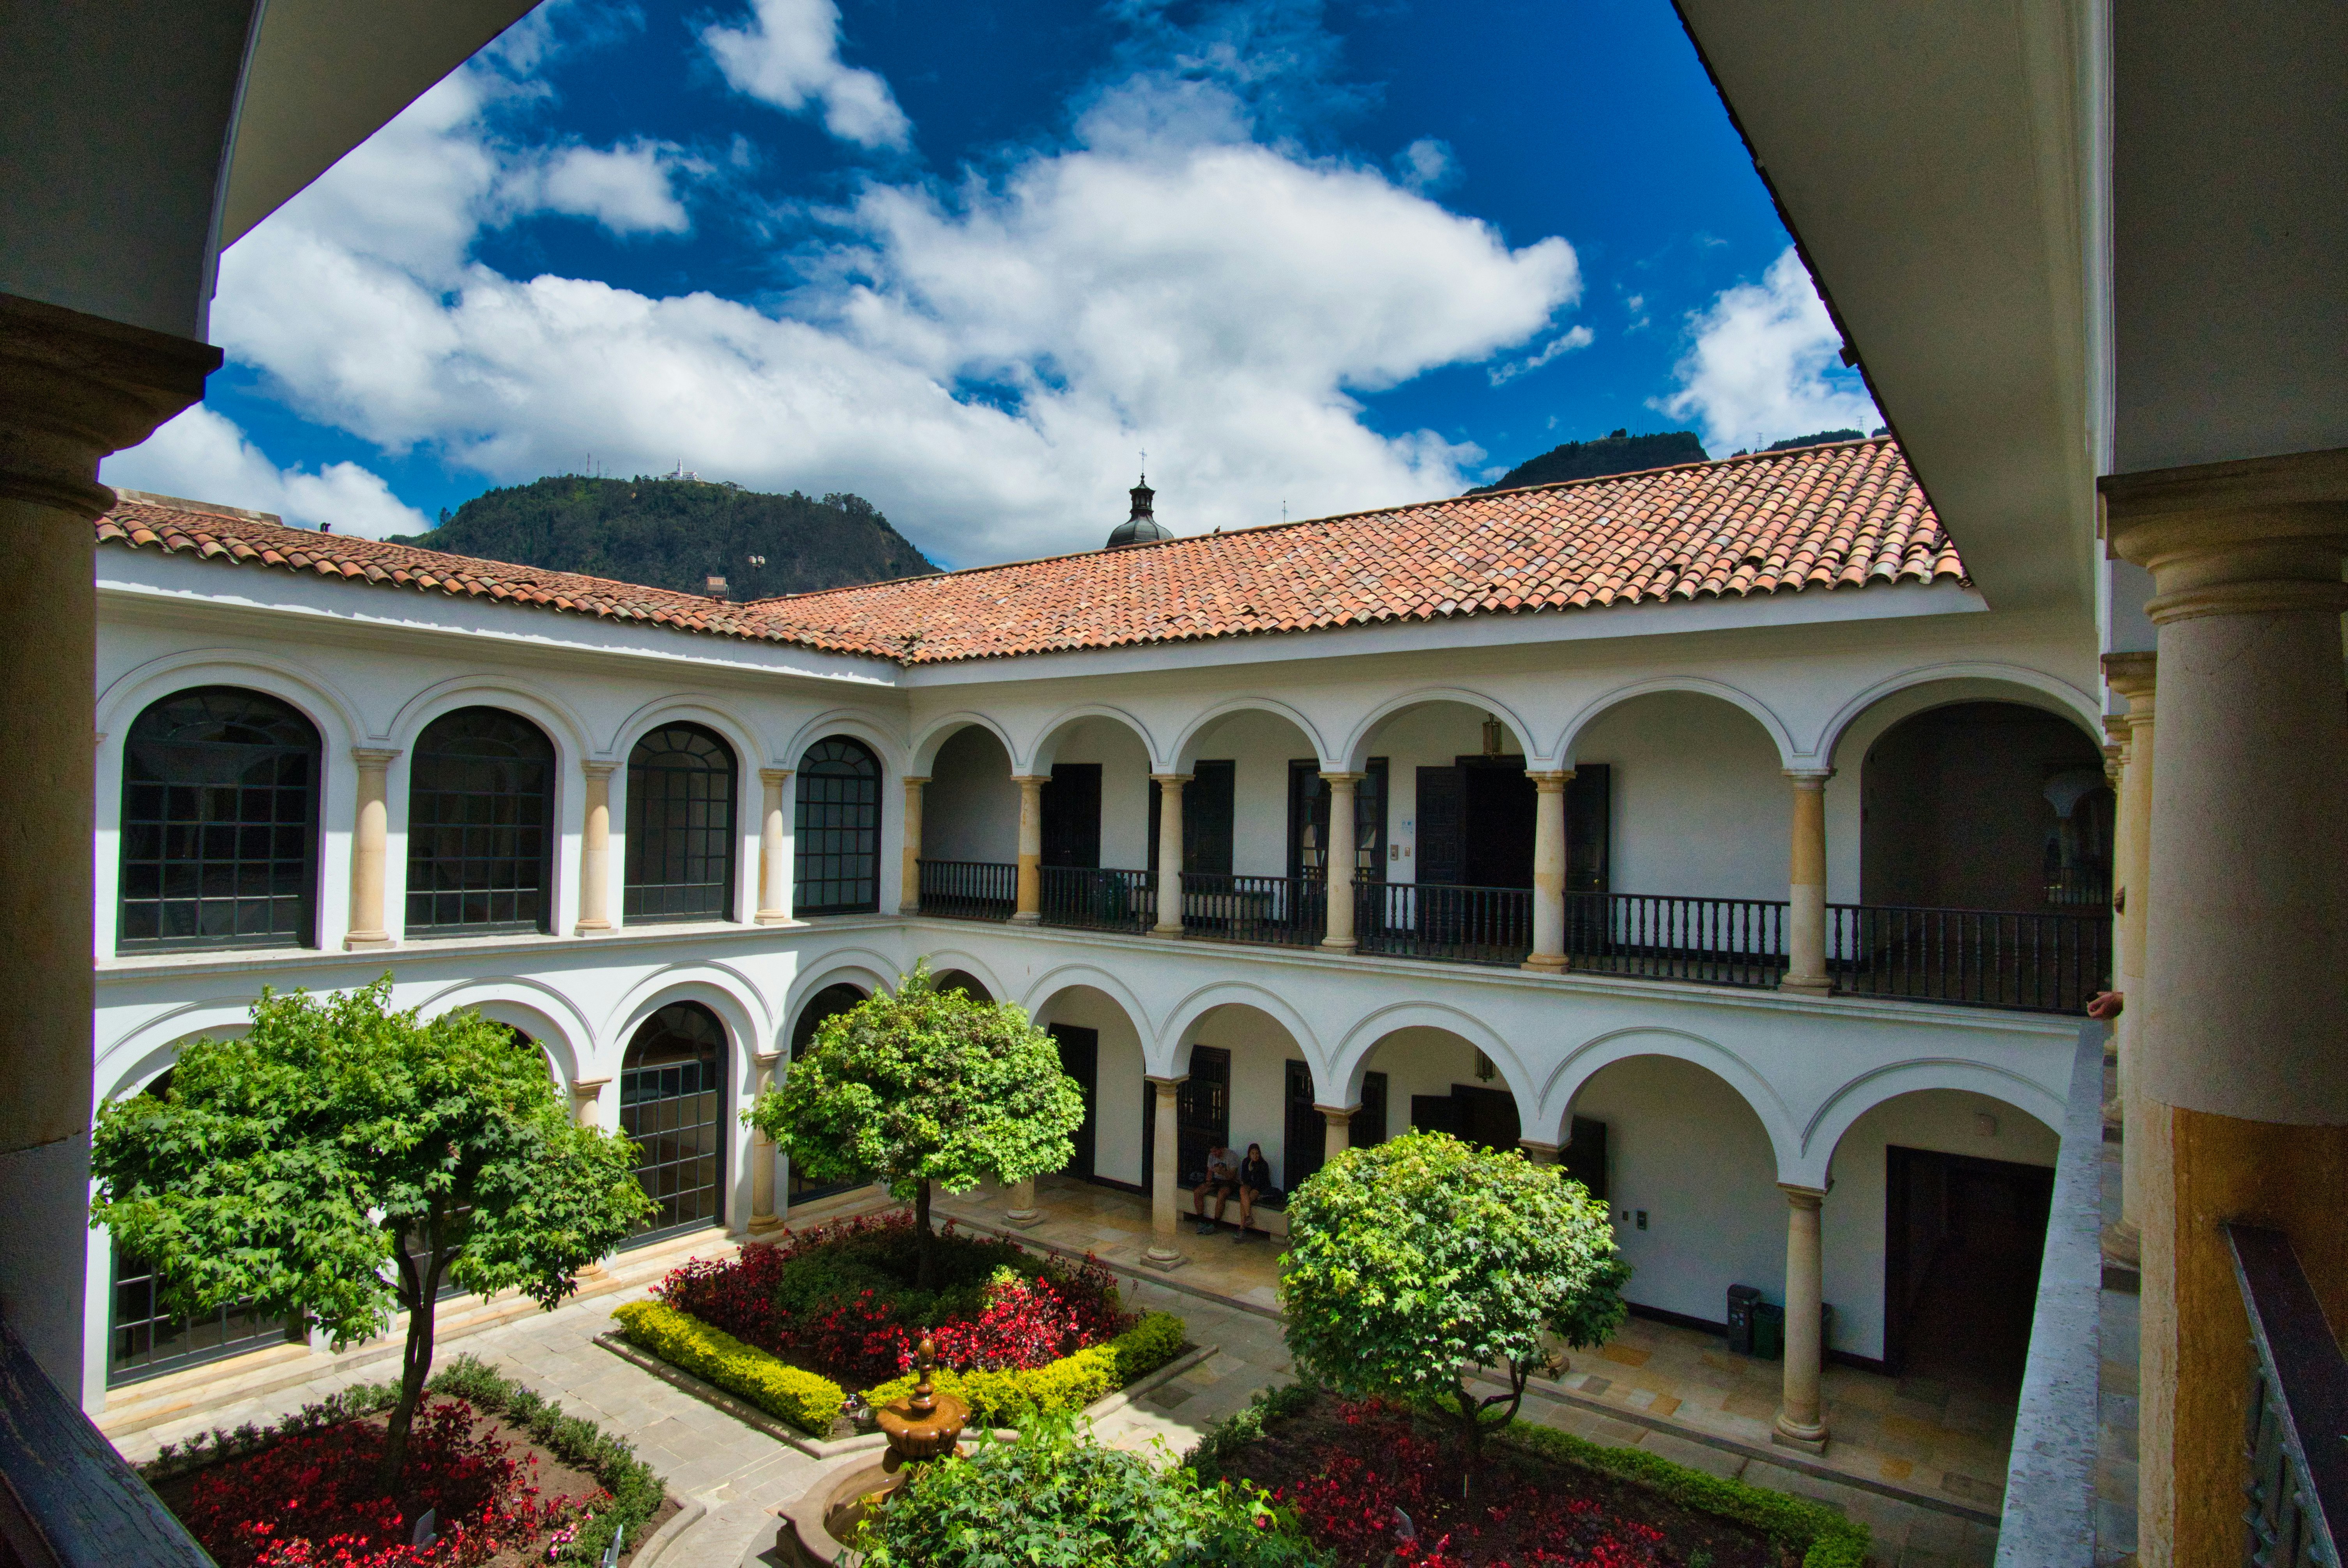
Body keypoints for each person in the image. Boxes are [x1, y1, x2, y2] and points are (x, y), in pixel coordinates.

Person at [1192, 1142, 1240, 1233]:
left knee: (1222, 1194)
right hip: (1216, 1180)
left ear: (1222, 1149)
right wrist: (1208, 1180)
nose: (1214, 1154)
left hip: (1230, 1182)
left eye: (1216, 1152)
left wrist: (1222, 1172)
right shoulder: (1212, 1156)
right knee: (1198, 1192)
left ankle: (1215, 1224)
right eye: (1212, 1152)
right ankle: (1201, 1221)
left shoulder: (1232, 1156)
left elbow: (1233, 1176)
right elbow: (1210, 1172)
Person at [1235, 1142, 1276, 1240]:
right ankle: (1249, 1218)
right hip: (1249, 1185)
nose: (1255, 1155)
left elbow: (1261, 1181)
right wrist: (1249, 1170)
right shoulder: (1246, 1162)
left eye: (1257, 1153)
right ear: (1249, 1154)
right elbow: (1244, 1179)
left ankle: (1242, 1228)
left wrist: (1254, 1170)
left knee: (1244, 1202)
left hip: (1259, 1188)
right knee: (1243, 1190)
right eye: (1253, 1153)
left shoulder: (1263, 1164)